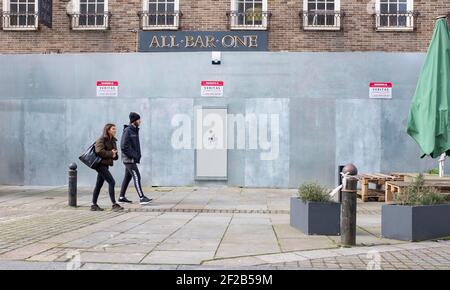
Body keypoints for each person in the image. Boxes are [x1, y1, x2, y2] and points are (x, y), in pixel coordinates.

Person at [118, 112, 153, 205]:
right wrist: (134, 155)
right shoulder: (128, 130)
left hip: (130, 159)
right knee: (137, 176)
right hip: (129, 159)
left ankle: (121, 197)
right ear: (134, 121)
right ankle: (142, 198)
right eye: (138, 120)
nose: (140, 121)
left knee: (127, 177)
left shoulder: (134, 130)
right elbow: (123, 146)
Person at [91, 123, 124, 212]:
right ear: (108, 130)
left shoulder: (113, 140)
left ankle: (93, 205)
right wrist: (111, 153)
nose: (115, 130)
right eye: (113, 129)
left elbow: (115, 156)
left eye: (115, 129)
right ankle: (114, 204)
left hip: (106, 164)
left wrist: (114, 154)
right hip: (100, 164)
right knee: (111, 182)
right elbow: (99, 151)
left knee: (99, 184)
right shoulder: (101, 139)